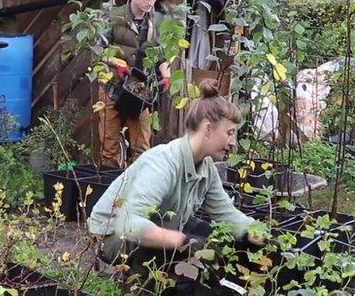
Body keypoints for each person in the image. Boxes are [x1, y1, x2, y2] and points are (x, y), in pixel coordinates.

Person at [89, 79, 265, 270]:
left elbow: (226, 214)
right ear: (208, 129)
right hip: (113, 237)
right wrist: (183, 241)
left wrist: (257, 233)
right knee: (184, 255)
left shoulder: (206, 168)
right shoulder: (163, 163)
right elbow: (129, 224)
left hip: (161, 223)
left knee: (213, 239)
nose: (233, 143)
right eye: (229, 133)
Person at [98, 0, 172, 168]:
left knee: (142, 148)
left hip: (140, 92)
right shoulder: (114, 17)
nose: (151, 3)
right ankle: (108, 190)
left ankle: (137, 192)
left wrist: (166, 75)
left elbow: (161, 56)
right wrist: (116, 64)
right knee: (109, 146)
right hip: (112, 87)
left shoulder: (155, 22)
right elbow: (97, 49)